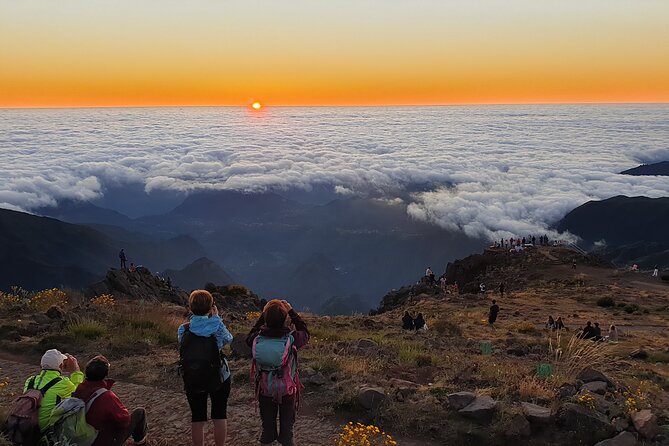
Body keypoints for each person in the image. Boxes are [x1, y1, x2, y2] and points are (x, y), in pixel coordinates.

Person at [246, 300, 309, 446]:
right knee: (287, 430)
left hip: (265, 389)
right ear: (284, 319)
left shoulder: (256, 339)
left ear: (265, 318)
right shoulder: (291, 339)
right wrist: (292, 312)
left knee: (267, 429)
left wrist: (263, 315)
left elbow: (250, 334)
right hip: (287, 391)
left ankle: (268, 438)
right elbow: (305, 332)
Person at [178, 290, 233, 446]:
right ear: (211, 308)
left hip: (193, 376)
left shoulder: (184, 329)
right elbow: (229, 339)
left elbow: (182, 344)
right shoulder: (216, 327)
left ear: (190, 308)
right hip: (219, 375)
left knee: (197, 417)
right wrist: (216, 319)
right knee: (219, 415)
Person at [72, 356, 147, 446]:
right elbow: (125, 421)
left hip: (82, 439)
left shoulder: (78, 389)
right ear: (106, 374)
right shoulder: (106, 396)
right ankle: (140, 443)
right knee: (140, 413)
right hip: (101, 441)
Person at [24, 349, 84, 433]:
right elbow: (79, 392)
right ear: (60, 366)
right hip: (46, 431)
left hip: (27, 427)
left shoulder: (30, 381)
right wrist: (76, 371)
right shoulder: (63, 384)